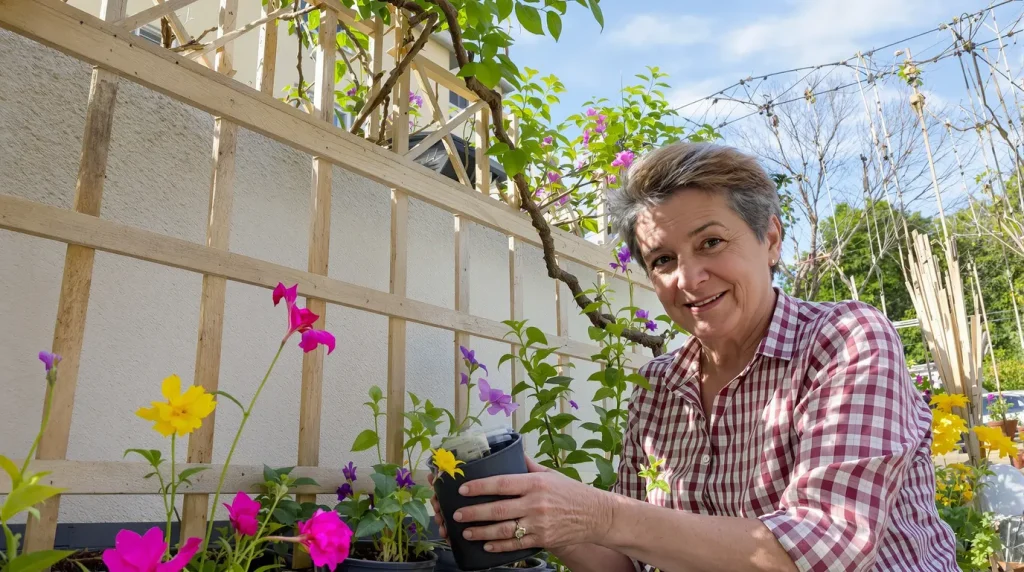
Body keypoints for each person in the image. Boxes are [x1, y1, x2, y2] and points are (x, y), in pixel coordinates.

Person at [429, 142, 959, 571]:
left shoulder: (844, 340)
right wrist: (543, 514)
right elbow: (630, 562)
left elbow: (825, 548)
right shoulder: (659, 389)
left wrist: (600, 514)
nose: (689, 278)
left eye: (710, 243)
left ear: (771, 239)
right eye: (663, 259)